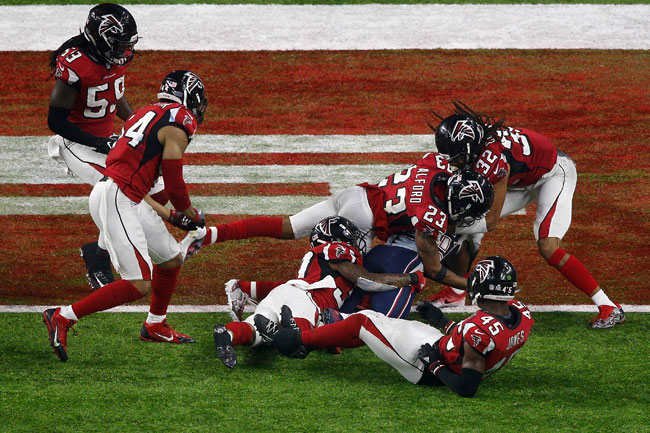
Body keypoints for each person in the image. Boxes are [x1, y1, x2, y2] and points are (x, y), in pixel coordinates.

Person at [42, 70, 208, 362]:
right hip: (117, 197)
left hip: (123, 194)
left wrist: (170, 215)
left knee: (170, 259)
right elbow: (173, 181)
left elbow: (138, 184)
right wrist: (187, 211)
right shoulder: (179, 121)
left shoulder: (144, 113)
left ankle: (155, 325)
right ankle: (63, 316)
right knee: (138, 283)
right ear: (188, 96)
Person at [428, 102, 624, 329]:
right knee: (467, 221)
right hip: (520, 178)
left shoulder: (493, 159)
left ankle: (608, 306)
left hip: (553, 175)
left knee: (548, 246)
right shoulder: (481, 147)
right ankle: (456, 292)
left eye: (457, 156)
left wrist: (446, 228)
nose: (453, 161)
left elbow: (490, 221)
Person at [184, 153, 494, 293]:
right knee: (340, 281)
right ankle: (252, 291)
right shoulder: (429, 216)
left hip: (357, 194)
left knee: (288, 226)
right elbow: (434, 270)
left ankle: (208, 234)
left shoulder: (435, 163)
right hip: (363, 221)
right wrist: (471, 285)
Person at [271, 256, 533, 398]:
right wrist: (441, 321)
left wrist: (434, 365)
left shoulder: (479, 332)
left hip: (425, 366)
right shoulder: (520, 314)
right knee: (373, 318)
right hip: (441, 347)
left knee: (363, 323)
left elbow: (467, 388)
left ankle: (297, 340)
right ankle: (315, 339)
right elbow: (472, 344)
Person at [213, 216, 428, 368]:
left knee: (253, 331)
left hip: (286, 292)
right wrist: (409, 279)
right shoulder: (335, 250)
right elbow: (364, 280)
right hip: (308, 299)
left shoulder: (317, 256)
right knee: (300, 344)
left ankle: (228, 334)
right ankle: (277, 334)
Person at [47, 3, 141, 290]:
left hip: (105, 140)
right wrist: (100, 142)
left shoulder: (115, 59)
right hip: (76, 143)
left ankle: (97, 250)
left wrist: (136, 122)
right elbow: (56, 121)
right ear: (102, 39)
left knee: (140, 186)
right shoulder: (75, 64)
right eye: (120, 43)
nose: (126, 50)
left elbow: (113, 95)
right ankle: (99, 259)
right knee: (116, 190)